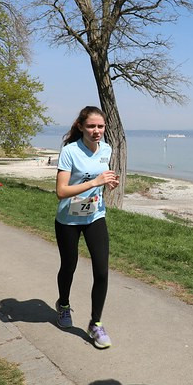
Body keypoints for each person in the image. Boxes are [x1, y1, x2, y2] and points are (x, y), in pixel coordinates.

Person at [54, 106, 119, 349]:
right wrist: (96, 181)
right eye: (91, 126)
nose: (96, 131)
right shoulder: (70, 151)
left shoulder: (107, 149)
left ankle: (96, 324)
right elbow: (61, 191)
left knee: (102, 271)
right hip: (68, 220)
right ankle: (63, 305)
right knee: (69, 266)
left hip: (95, 216)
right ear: (81, 126)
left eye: (100, 126)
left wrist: (108, 183)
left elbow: (101, 177)